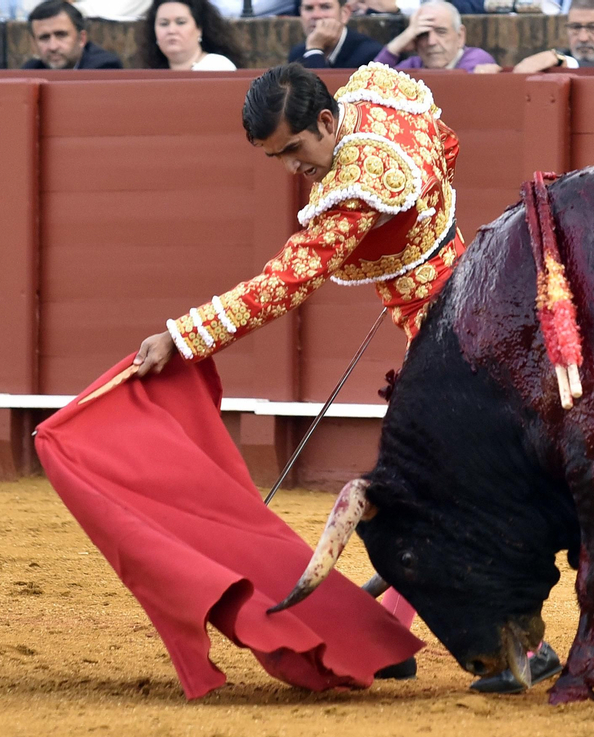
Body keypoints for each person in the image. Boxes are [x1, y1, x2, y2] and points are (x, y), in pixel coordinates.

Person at [129, 62, 559, 694]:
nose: (292, 170)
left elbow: (290, 279)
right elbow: (448, 144)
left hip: (453, 339)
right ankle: (396, 632)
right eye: (277, 157)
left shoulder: (360, 180)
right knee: (432, 482)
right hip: (466, 304)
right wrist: (416, 241)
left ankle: (525, 649)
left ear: (326, 122)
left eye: (296, 151)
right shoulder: (376, 97)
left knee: (454, 493)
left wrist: (185, 334)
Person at [374, 0, 499, 73]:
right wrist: (396, 46)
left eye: (441, 31)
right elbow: (369, 85)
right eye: (423, 34)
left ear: (460, 36)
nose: (431, 42)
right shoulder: (413, 65)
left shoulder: (476, 59)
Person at [136, 0, 242, 70]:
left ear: (199, 28)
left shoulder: (218, 66)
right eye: (164, 24)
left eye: (181, 22)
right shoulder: (151, 73)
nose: (171, 30)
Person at [21, 0, 124, 69]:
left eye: (61, 35)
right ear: (34, 44)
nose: (53, 46)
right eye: (44, 38)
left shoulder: (103, 67)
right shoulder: (31, 71)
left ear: (82, 39)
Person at [288, 0, 379, 69]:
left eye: (325, 7)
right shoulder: (297, 54)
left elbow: (322, 93)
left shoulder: (369, 55)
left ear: (345, 13)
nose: (316, 15)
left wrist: (314, 50)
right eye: (309, 8)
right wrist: (313, 49)